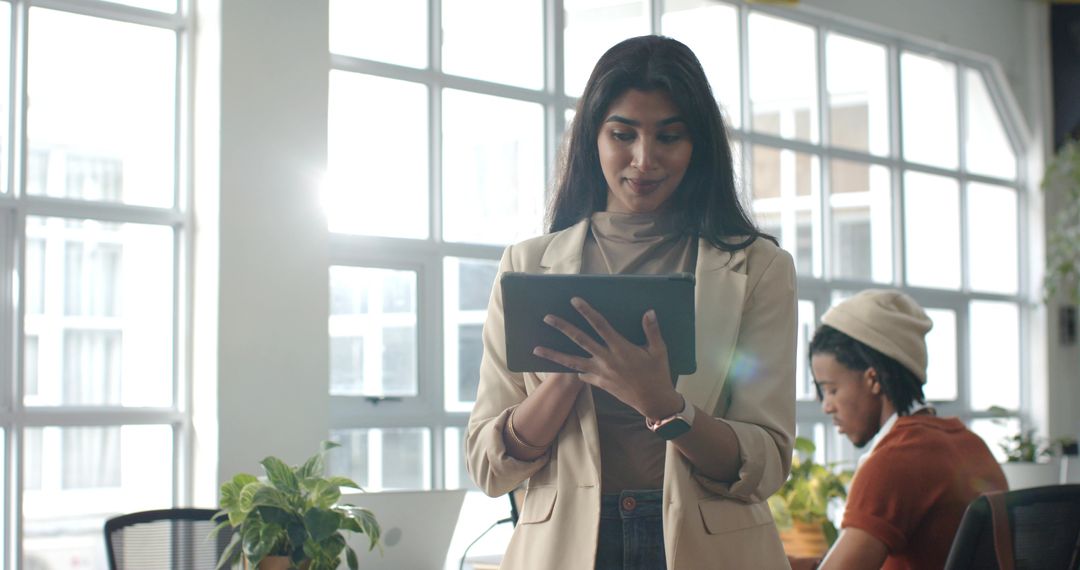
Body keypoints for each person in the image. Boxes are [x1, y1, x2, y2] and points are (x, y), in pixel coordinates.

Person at [465, 35, 796, 569]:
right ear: (591, 137)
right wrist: (573, 372)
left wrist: (664, 405)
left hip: (708, 548)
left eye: (670, 137)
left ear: (698, 146)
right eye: (623, 134)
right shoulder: (526, 264)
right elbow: (488, 464)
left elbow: (768, 462)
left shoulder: (757, 269)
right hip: (568, 546)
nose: (644, 160)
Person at [796, 289, 1007, 570]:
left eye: (831, 390)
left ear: (873, 380)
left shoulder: (895, 459)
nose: (827, 406)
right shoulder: (969, 443)